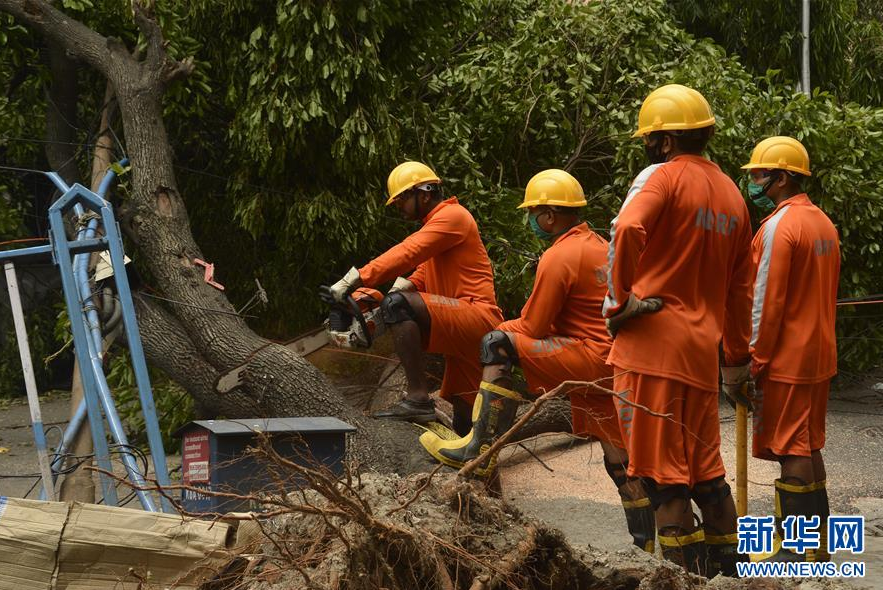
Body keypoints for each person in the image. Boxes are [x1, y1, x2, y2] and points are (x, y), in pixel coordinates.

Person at [420, 169, 656, 554]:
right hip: (612, 363)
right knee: (621, 462)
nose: (530, 220)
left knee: (498, 343)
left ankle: (478, 450)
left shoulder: (560, 254)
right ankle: (646, 545)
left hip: (587, 358)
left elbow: (533, 325)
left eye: (532, 213)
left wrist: (495, 328)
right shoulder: (599, 245)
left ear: (548, 215)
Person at [603, 84, 754, 576]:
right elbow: (740, 291)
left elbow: (626, 230)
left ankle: (681, 579)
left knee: (663, 481)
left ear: (665, 141)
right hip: (700, 356)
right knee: (708, 478)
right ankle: (729, 577)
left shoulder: (664, 179)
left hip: (651, 354)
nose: (647, 146)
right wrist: (734, 360)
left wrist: (618, 301)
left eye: (650, 138)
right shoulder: (733, 194)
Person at [327, 161, 503, 435]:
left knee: (398, 305)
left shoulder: (452, 216)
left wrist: (355, 278)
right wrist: (385, 302)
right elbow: (422, 272)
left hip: (477, 316)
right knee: (464, 415)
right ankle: (476, 469)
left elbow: (409, 251)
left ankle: (418, 398)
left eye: (401, 199)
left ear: (424, 193)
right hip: (461, 326)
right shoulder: (438, 228)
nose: (398, 206)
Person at [740, 136, 839, 563]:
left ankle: (797, 552)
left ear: (781, 178)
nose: (754, 183)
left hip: (786, 359)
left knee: (791, 449)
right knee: (808, 443)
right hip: (818, 354)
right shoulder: (822, 222)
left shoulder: (780, 227)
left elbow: (765, 300)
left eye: (759, 175)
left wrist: (753, 358)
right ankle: (817, 547)